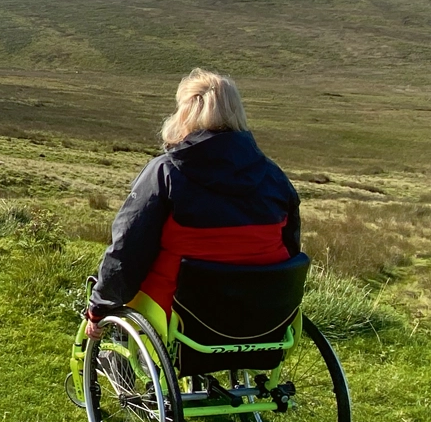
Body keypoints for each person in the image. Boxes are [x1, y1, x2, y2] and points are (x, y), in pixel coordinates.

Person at [85, 68, 301, 339]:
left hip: (179, 316)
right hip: (264, 314)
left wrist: (100, 306)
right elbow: (291, 246)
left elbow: (128, 250)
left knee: (133, 292)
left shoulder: (165, 173)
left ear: (184, 113)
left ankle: (121, 368)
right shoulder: (274, 176)